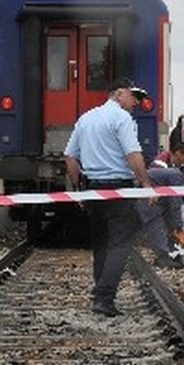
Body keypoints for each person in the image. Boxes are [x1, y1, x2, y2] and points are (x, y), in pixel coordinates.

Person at [63, 78, 154, 318]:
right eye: (134, 96)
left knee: (101, 242)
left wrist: (79, 188)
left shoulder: (86, 118)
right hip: (118, 188)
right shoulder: (122, 119)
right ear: (120, 94)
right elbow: (133, 155)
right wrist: (146, 184)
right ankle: (104, 296)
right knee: (121, 242)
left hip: (93, 189)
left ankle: (100, 293)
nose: (136, 102)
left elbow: (70, 158)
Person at [138, 150, 184, 268]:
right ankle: (163, 257)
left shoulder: (171, 174)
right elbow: (175, 204)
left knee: (164, 223)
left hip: (152, 194)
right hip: (147, 197)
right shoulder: (176, 176)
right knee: (154, 223)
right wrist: (178, 227)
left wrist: (175, 227)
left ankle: (171, 253)